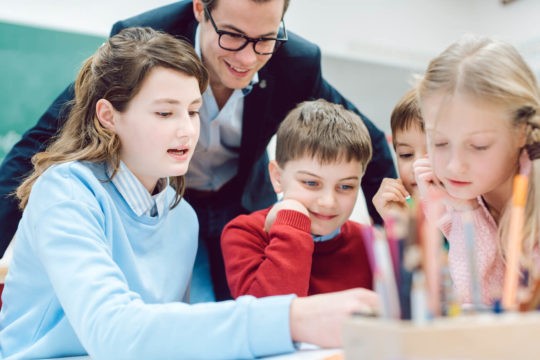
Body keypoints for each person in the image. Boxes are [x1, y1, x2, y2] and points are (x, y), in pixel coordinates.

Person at [0, 27, 379, 360]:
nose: (186, 131)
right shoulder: (67, 191)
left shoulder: (180, 216)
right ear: (108, 116)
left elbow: (172, 335)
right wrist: (294, 319)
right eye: (165, 113)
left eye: (193, 111)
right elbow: (113, 332)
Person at [412, 34, 540, 305]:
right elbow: (476, 302)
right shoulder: (458, 195)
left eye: (479, 146)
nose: (454, 165)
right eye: (439, 142)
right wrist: (463, 209)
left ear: (522, 133)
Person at [221, 99, 374, 298]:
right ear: (277, 177)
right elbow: (271, 317)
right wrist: (293, 221)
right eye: (311, 183)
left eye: (345, 186)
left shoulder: (369, 243)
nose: (328, 201)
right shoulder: (244, 233)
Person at [372, 87, 426, 222]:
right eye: (406, 155)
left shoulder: (472, 209)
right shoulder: (403, 207)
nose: (416, 167)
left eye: (431, 154)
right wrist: (395, 221)